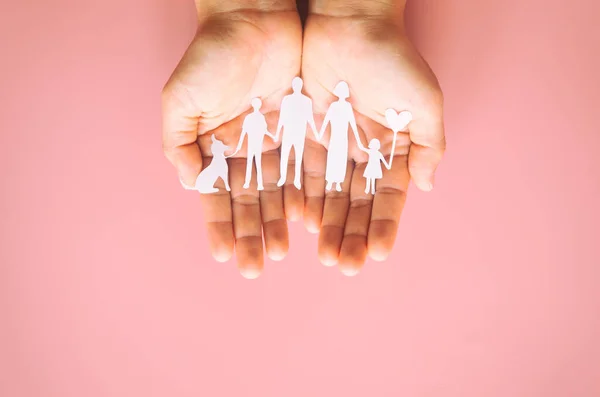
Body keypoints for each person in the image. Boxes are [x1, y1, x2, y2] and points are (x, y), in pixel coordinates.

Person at [162, 0, 445, 278]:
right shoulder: (311, 109)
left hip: (319, 137)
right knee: (291, 161)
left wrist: (361, 12)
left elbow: (326, 123)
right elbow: (286, 123)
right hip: (309, 135)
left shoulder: (338, 107)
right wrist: (235, 12)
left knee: (317, 162)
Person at [319, 81, 365, 192]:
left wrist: (358, 140)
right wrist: (320, 132)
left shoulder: (348, 106)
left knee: (341, 158)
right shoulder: (333, 106)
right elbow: (327, 119)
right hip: (334, 136)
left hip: (343, 138)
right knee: (333, 157)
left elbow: (352, 123)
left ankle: (338, 181)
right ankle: (330, 181)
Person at [276, 77, 319, 190]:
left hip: (299, 132)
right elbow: (282, 117)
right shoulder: (286, 99)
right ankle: (283, 177)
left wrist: (316, 132)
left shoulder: (307, 101)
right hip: (288, 132)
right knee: (284, 156)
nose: (296, 87)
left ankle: (296, 179)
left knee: (298, 157)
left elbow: (310, 119)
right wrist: (277, 133)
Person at [230, 98, 276, 191]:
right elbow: (244, 131)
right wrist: (239, 145)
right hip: (252, 143)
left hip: (257, 143)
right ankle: (248, 182)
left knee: (256, 163)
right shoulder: (250, 117)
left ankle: (258, 184)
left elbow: (264, 130)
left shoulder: (259, 117)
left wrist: (272, 136)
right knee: (251, 162)